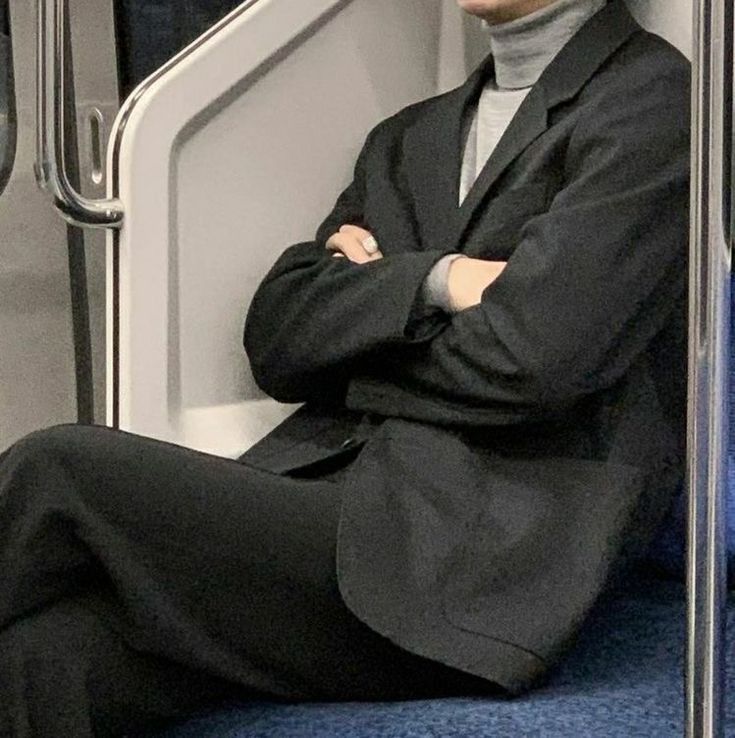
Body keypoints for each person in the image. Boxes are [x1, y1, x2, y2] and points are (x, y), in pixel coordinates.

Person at [0, 0, 690, 735]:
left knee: (59, 470)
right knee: (46, 657)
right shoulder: (410, 136)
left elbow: (535, 358)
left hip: (473, 562)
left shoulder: (652, 104)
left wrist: (361, 335)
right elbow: (279, 336)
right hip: (333, 506)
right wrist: (441, 281)